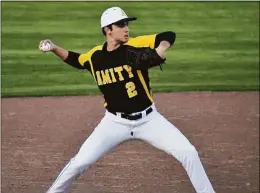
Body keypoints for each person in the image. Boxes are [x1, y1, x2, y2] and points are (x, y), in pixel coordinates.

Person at [39, 6, 216, 193]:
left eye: (127, 24)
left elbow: (169, 34)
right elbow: (77, 60)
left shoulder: (135, 44)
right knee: (79, 162)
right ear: (108, 30)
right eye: (121, 24)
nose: (126, 28)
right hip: (114, 123)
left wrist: (161, 49)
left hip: (149, 120)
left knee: (189, 153)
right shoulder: (95, 56)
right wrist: (54, 48)